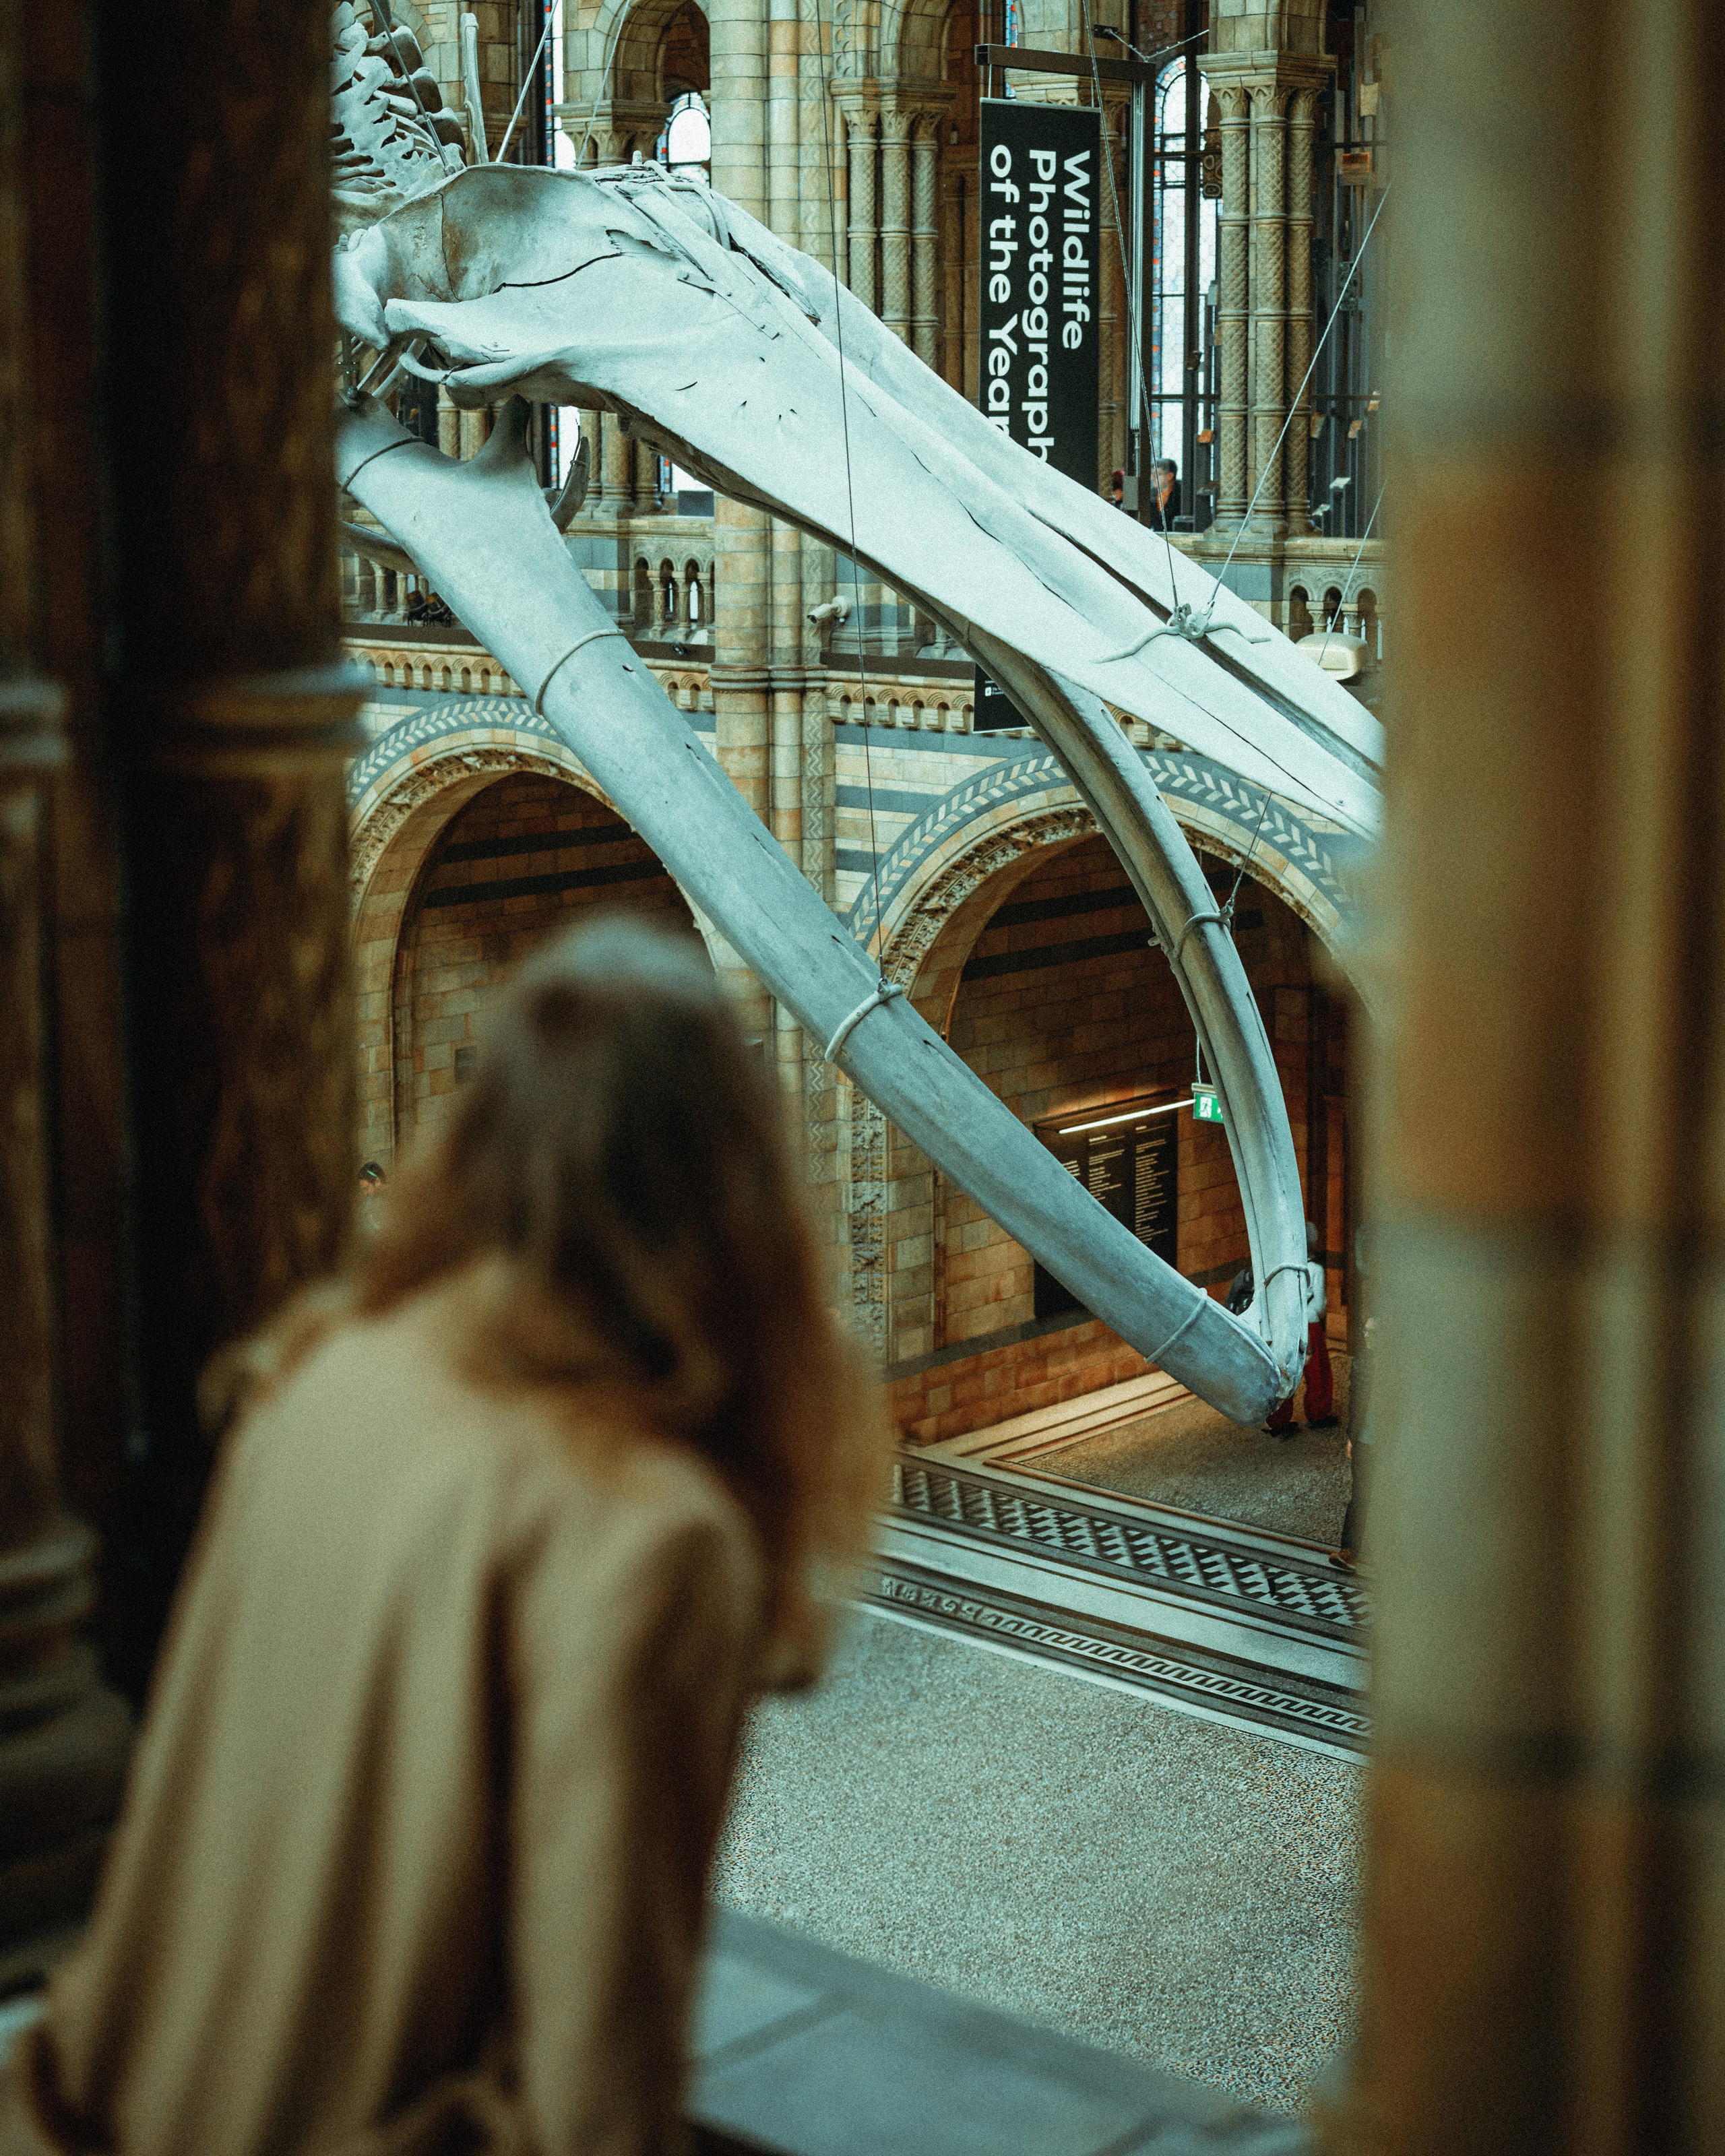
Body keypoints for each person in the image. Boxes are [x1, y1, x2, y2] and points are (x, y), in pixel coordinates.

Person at [1, 917, 884, 2156]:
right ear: (738, 1191)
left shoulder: (318, 1371)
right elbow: (598, 2070)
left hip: (122, 2105)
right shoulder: (652, 1534)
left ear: (478, 1143)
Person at [1265, 1221, 1337, 1438]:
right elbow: (1320, 1306)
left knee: (1285, 1371)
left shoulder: (1282, 1269)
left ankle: (1278, 1420)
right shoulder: (1315, 1269)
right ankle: (1318, 1413)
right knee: (1318, 1372)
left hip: (1285, 1326)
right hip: (1310, 1326)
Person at [1146, 459, 1182, 532]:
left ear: (1170, 476)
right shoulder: (1149, 495)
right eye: (1152, 474)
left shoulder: (1182, 495)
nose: (1152, 478)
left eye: (1157, 474)